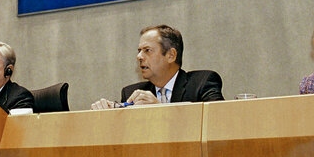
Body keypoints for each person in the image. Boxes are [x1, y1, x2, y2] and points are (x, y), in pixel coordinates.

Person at [92, 25, 224, 109]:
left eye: (147, 50)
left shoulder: (202, 83)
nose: (139, 56)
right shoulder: (132, 93)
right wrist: (106, 114)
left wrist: (160, 109)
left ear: (171, 55)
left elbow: (217, 123)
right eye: (139, 50)